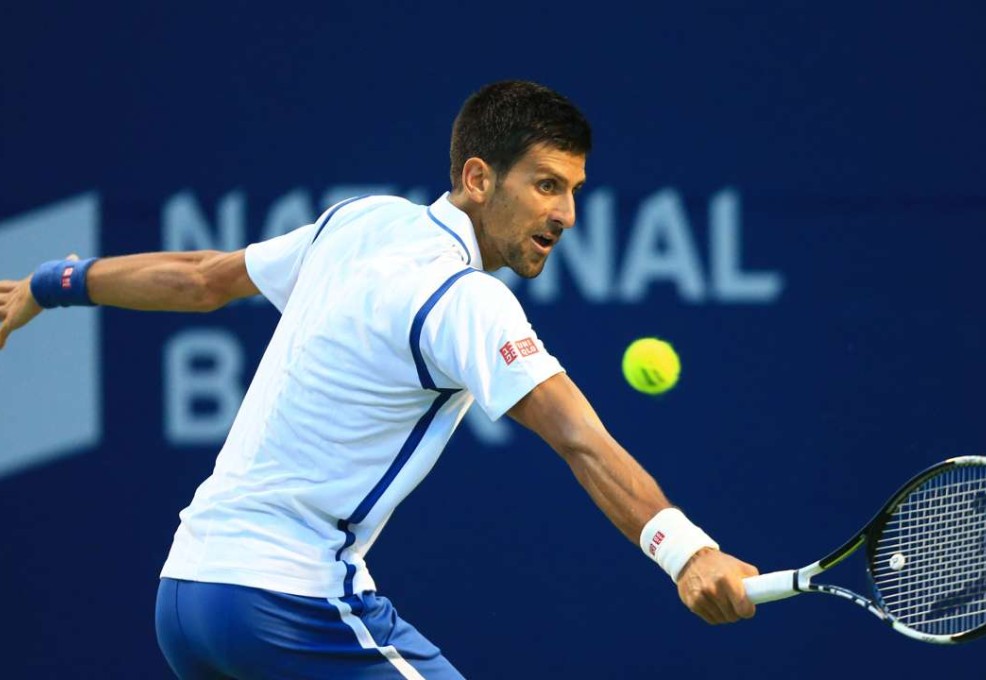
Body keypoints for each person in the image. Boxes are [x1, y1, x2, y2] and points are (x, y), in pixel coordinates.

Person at [0, 80, 758, 679]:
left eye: (573, 190)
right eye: (546, 185)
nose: (566, 213)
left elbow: (201, 279)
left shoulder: (359, 222)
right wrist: (687, 552)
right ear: (478, 177)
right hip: (286, 604)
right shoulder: (467, 300)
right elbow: (581, 441)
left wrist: (47, 283)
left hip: (186, 600)